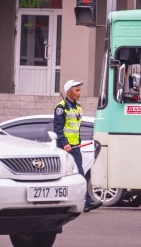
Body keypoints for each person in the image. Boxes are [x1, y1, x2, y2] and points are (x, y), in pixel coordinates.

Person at [53, 79, 102, 212]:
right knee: (65, 176)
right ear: (69, 92)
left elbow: (75, 128)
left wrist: (77, 142)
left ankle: (86, 201)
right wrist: (64, 143)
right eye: (77, 90)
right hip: (66, 148)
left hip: (75, 147)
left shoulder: (78, 107)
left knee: (80, 174)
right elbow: (58, 128)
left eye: (79, 90)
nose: (80, 93)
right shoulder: (61, 107)